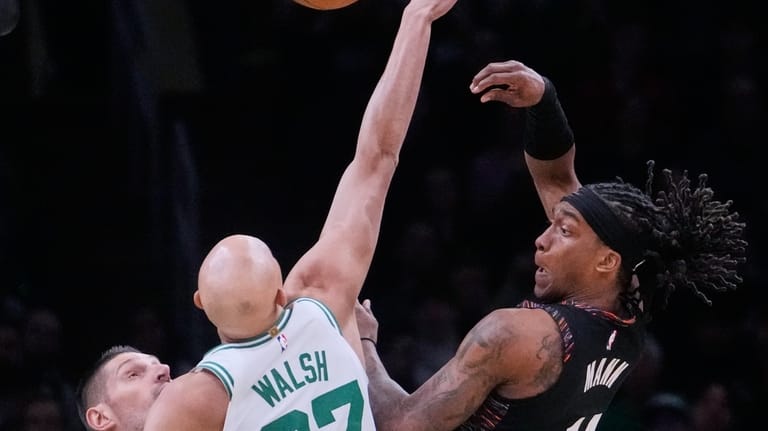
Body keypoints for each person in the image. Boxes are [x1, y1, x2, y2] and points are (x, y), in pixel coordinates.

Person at [74, 0, 459, 429]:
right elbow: (377, 156)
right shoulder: (322, 296)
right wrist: (417, 18)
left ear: (201, 303)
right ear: (281, 293)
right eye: (134, 373)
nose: (162, 371)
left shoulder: (194, 398)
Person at [355, 59, 748, 431]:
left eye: (564, 231)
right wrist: (544, 101)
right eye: (553, 225)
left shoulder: (513, 335)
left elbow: (399, 425)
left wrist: (362, 343)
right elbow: (558, 181)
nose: (541, 240)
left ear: (606, 261)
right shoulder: (630, 302)